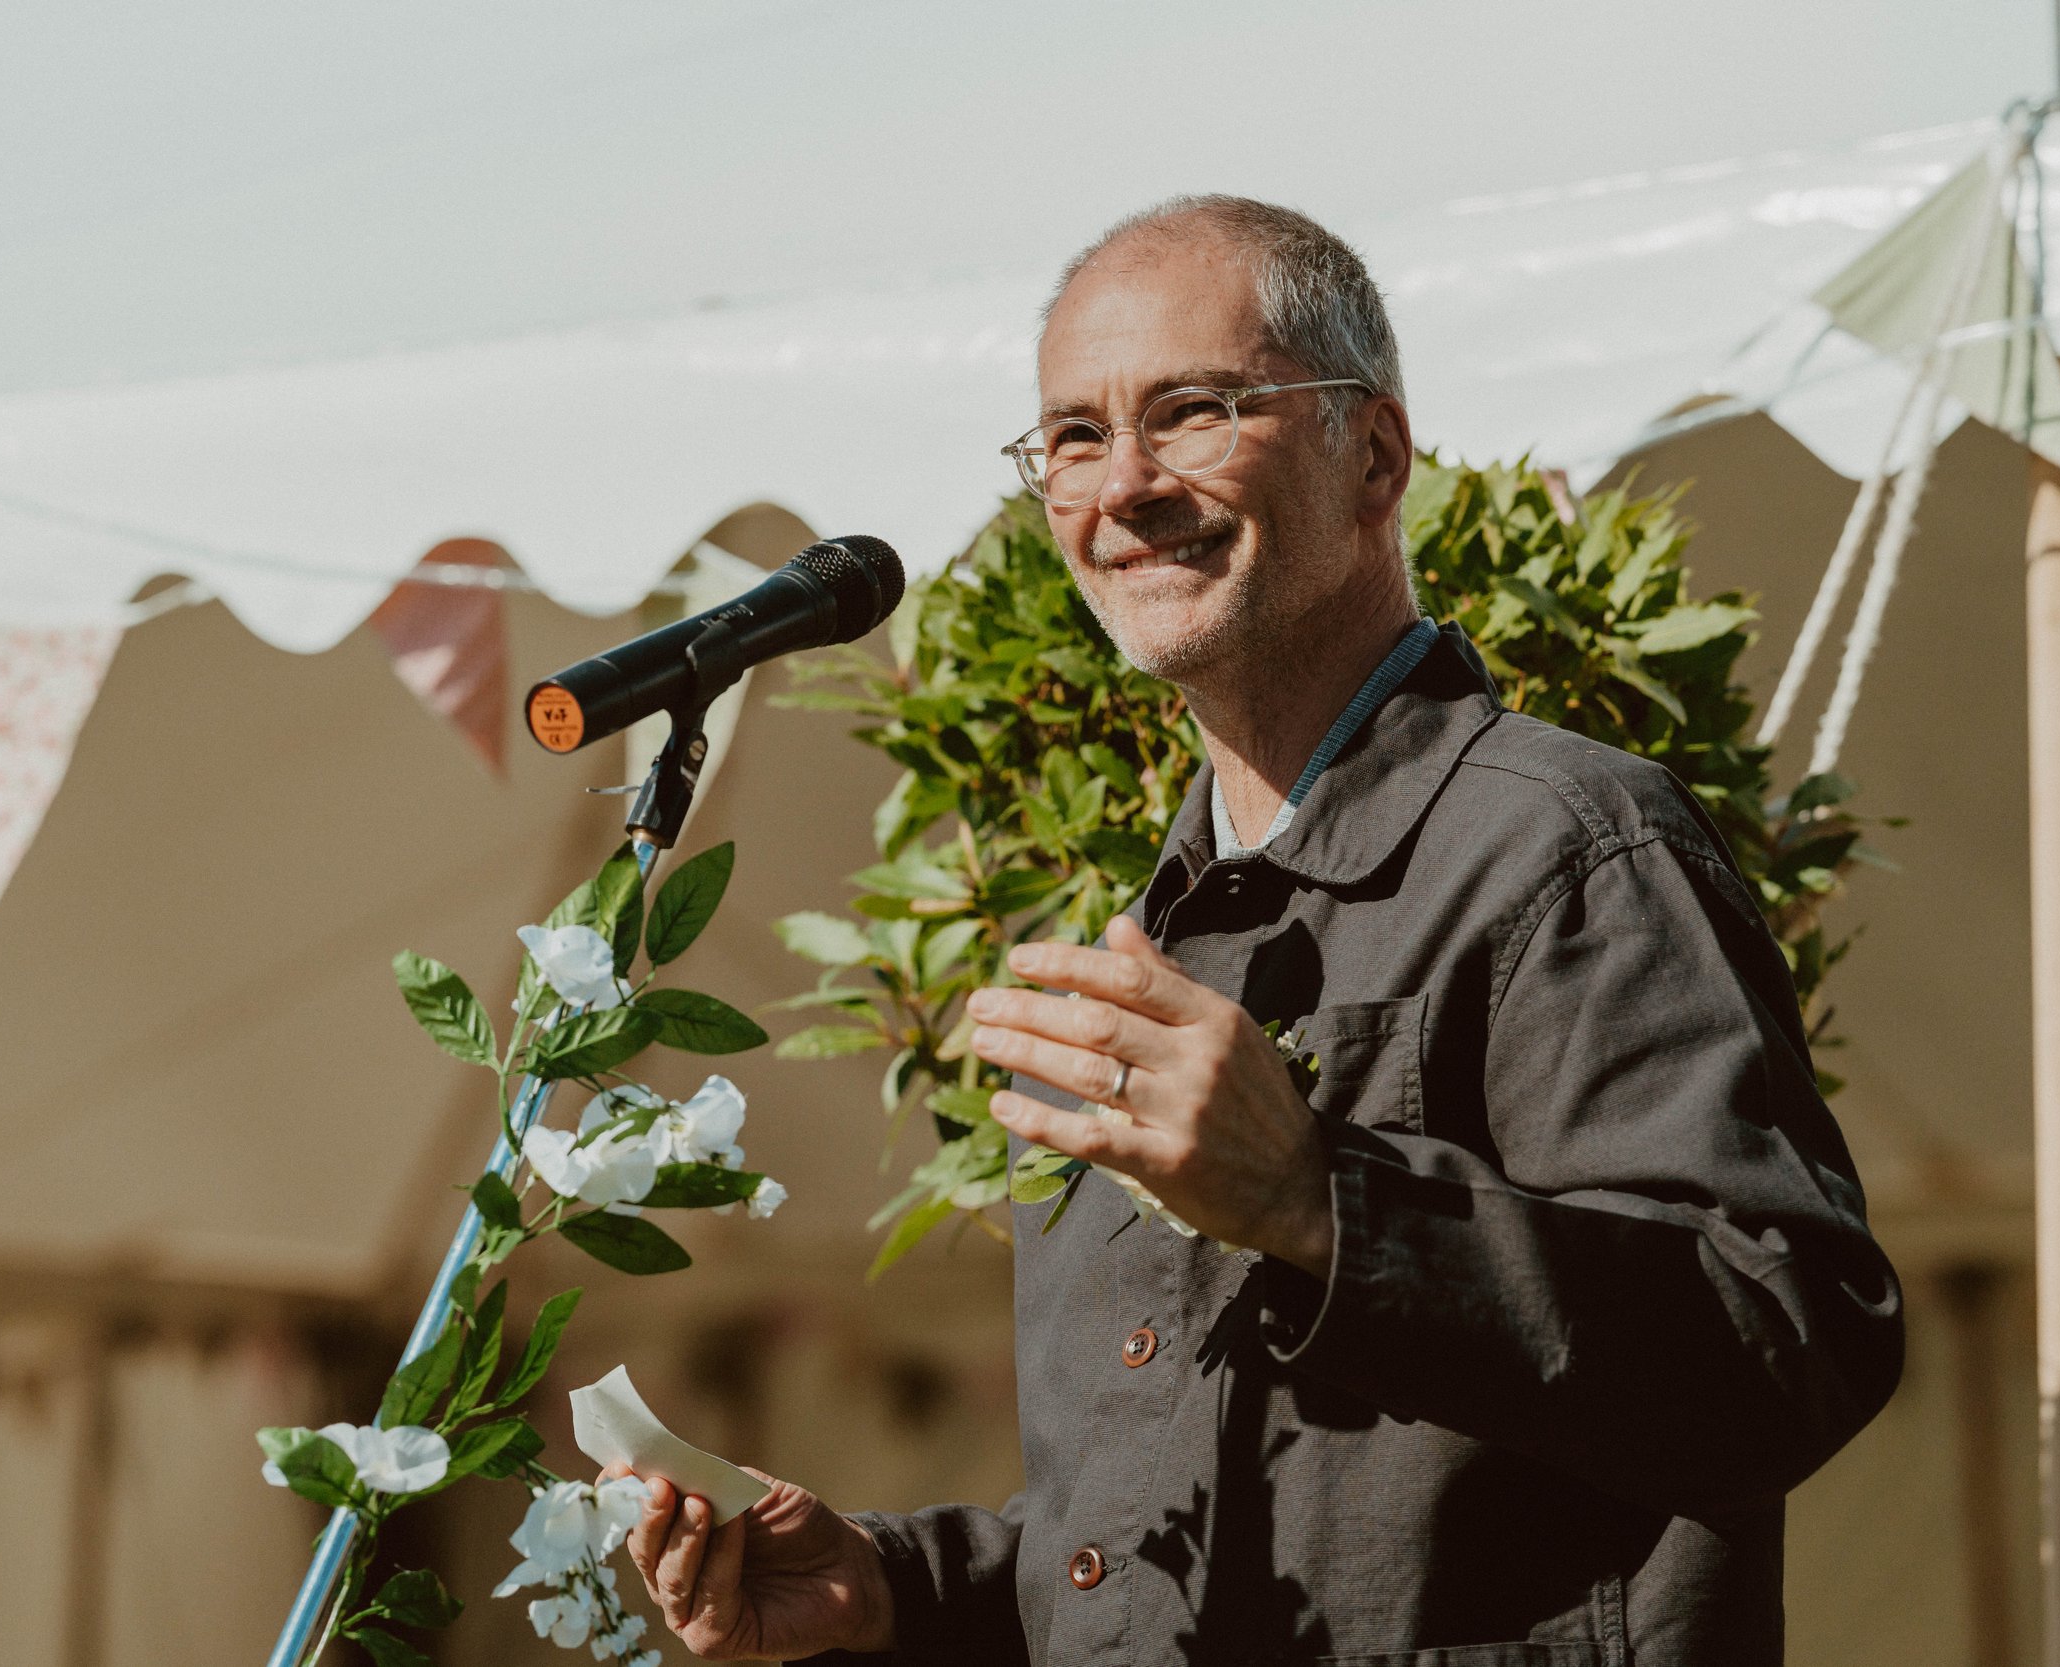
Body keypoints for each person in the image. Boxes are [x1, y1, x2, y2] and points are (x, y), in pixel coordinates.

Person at [614, 195, 1905, 1666]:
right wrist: (897, 1588)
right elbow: (1207, 1531)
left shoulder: (1563, 844)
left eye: (1195, 411)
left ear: (1376, 456)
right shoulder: (1147, 935)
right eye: (1076, 438)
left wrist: (1322, 1200)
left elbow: (1790, 1342)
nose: (1125, 485)